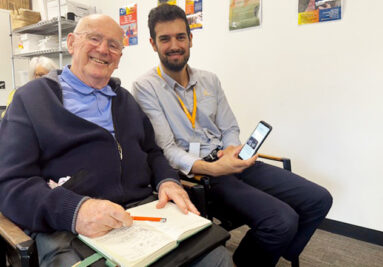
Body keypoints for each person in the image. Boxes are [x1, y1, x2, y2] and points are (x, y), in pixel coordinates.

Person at [0, 14, 232, 267]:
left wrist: (167, 180)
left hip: (142, 214)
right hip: (68, 228)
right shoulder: (31, 100)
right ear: (71, 43)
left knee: (219, 259)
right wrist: (75, 211)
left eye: (113, 45)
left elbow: (152, 151)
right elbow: (10, 184)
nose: (103, 49)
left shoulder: (126, 101)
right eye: (94, 38)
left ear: (119, 58)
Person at [132, 4, 333, 267]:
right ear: (153, 43)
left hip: (231, 161)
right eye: (165, 38)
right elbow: (166, 149)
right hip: (200, 176)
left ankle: (279, 248)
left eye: (180, 36)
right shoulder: (145, 87)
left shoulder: (209, 80)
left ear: (191, 39)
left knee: (318, 199)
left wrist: (231, 151)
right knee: (282, 220)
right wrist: (213, 168)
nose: (174, 45)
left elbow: (229, 127)